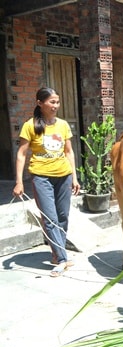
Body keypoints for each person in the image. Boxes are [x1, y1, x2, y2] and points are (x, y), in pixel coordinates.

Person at [12, 87, 80, 277]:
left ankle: (56, 254)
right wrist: (19, 181)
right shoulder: (30, 125)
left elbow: (69, 152)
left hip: (63, 176)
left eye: (57, 102)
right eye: (52, 102)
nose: (55, 106)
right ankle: (61, 259)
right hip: (41, 177)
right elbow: (21, 154)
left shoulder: (63, 125)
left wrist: (74, 177)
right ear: (40, 103)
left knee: (63, 216)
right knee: (50, 219)